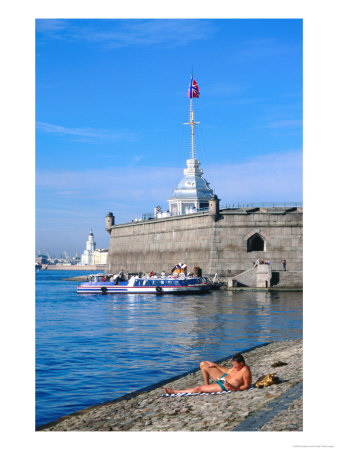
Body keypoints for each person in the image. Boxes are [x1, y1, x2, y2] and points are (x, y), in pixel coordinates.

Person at [163, 353, 252, 394]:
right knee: (204, 364)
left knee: (198, 388)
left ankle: (174, 391)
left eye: (235, 365)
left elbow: (247, 386)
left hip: (225, 386)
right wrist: (216, 365)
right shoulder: (236, 366)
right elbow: (228, 371)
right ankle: (207, 385)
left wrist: (234, 388)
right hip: (223, 378)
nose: (234, 367)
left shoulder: (245, 370)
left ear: (241, 363)